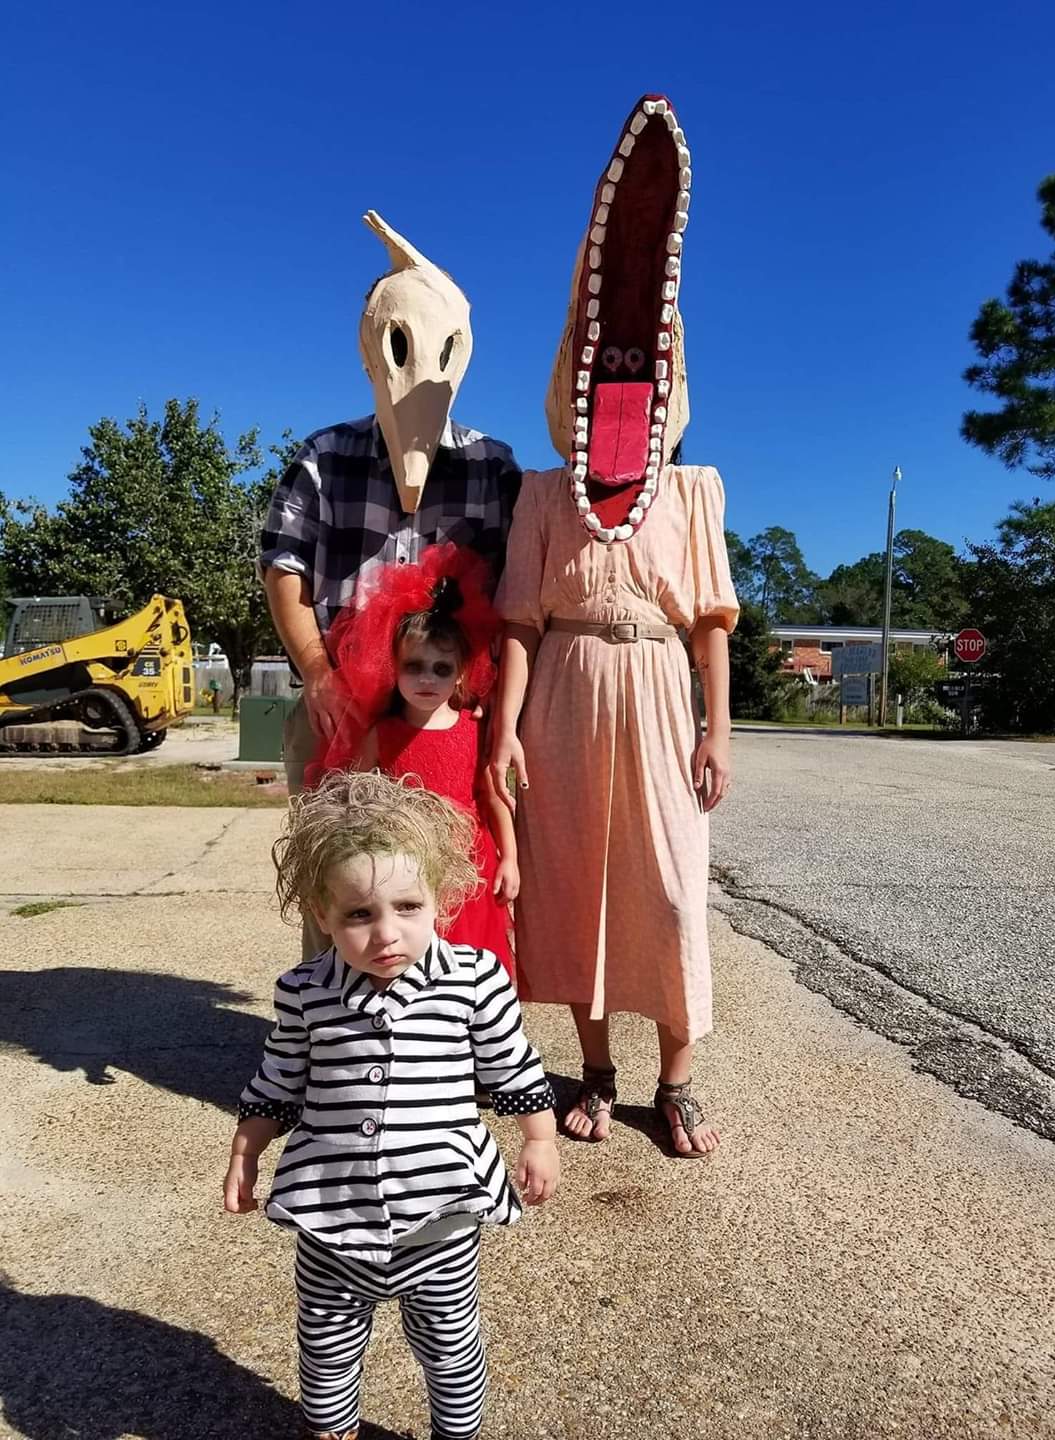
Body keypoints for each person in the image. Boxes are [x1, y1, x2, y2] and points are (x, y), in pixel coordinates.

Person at [489, 95, 740, 1159]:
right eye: (605, 378)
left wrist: (715, 728)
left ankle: (674, 1084)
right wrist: (502, 731)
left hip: (655, 697)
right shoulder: (544, 497)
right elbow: (516, 625)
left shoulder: (690, 494)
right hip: (562, 701)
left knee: (672, 893)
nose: (623, 389)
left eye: (640, 377)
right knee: (578, 892)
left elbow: (711, 624)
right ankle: (594, 1072)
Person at [223, 770, 558, 1440]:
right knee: (325, 1347)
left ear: (440, 900)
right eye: (358, 915)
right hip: (331, 1217)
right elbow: (280, 1077)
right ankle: (334, 1428)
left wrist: (539, 1137)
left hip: (440, 1217)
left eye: (407, 907)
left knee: (450, 1348)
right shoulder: (304, 991)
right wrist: (246, 1150)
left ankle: (454, 1434)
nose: (386, 936)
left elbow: (512, 1063)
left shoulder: (473, 980)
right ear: (322, 914)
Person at [261, 211, 521, 959]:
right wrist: (319, 675)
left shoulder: (492, 467)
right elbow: (285, 566)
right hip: (340, 699)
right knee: (341, 874)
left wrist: (493, 711)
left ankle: (448, 1035)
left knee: (456, 873)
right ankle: (331, 1041)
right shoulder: (327, 455)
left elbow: (519, 593)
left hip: (450, 713)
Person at [309, 544, 516, 976]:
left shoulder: (474, 730)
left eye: (441, 669)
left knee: (469, 961)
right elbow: (356, 798)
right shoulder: (382, 734)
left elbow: (495, 799)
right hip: (400, 864)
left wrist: (511, 860)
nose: (426, 678)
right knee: (407, 958)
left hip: (472, 865)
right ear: (393, 668)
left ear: (460, 672)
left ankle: (470, 1035)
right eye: (414, 666)